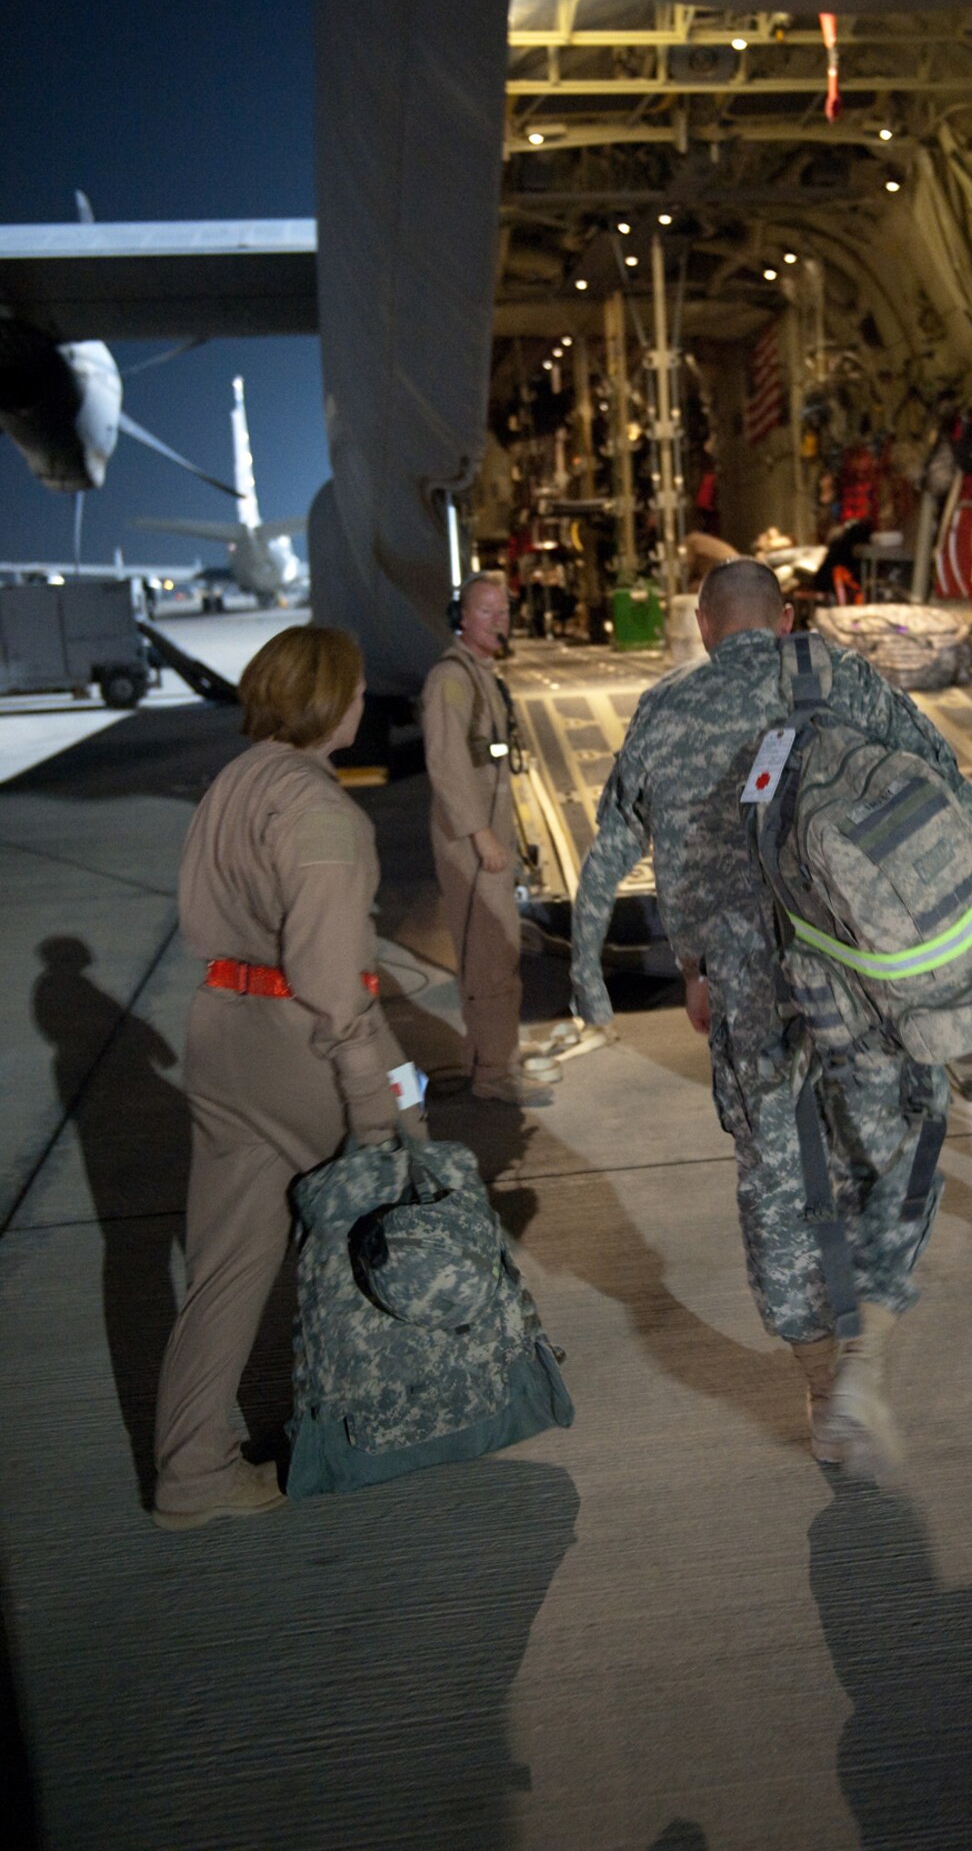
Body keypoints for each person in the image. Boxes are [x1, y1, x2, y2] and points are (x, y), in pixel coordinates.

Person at [571, 558, 972, 1463]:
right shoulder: (838, 677)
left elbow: (608, 853)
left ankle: (822, 1394)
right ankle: (872, 1343)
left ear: (703, 626)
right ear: (782, 620)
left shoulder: (666, 712)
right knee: (900, 1148)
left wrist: (591, 976)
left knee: (779, 1182)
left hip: (744, 995)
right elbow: (939, 782)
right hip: (859, 973)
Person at [153, 626, 425, 1529]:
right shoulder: (319, 811)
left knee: (226, 1269)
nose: (361, 706)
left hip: (220, 1027)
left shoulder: (234, 783)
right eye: (351, 691)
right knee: (409, 1216)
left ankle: (192, 1473)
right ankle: (403, 1421)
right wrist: (379, 1104)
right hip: (298, 1040)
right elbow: (330, 981)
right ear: (325, 702)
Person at [422, 573, 555, 1107]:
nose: (498, 623)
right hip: (471, 846)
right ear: (461, 618)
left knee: (494, 957)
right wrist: (482, 839)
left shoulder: (480, 676)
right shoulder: (450, 680)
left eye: (503, 613)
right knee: (491, 959)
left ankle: (493, 1062)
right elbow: (447, 765)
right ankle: (495, 1076)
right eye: (485, 612)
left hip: (487, 836)